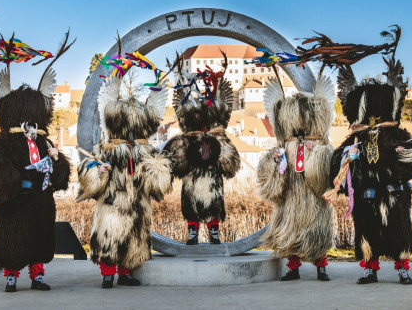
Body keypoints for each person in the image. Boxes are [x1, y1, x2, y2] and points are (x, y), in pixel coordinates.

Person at [330, 55, 412, 284]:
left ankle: (403, 269)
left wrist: (406, 152)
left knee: (399, 230)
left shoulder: (398, 135)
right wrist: (347, 156)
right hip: (366, 194)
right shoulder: (356, 139)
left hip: (394, 192)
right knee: (366, 230)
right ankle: (370, 269)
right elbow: (335, 165)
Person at [0, 34, 73, 292]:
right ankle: (12, 276)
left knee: (39, 238)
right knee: (13, 239)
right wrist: (13, 182)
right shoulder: (3, 141)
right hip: (15, 200)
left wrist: (58, 166)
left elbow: (59, 171)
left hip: (39, 198)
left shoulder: (43, 140)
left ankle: (37, 276)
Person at [77, 75, 172, 288]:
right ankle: (108, 273)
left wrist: (153, 169)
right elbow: (87, 168)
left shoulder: (145, 150)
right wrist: (99, 170)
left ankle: (126, 272)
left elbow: (161, 179)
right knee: (109, 236)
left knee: (134, 237)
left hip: (138, 203)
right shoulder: (105, 148)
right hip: (113, 202)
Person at [257, 74, 335, 281]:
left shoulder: (320, 144)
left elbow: (329, 166)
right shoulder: (287, 145)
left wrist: (317, 153)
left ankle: (321, 267)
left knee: (317, 230)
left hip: (314, 196)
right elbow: (272, 169)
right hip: (290, 195)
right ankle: (293, 268)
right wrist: (274, 161)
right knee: (289, 230)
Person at [164, 58, 240, 245]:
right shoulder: (188, 134)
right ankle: (193, 232)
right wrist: (181, 151)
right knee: (191, 201)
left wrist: (224, 159)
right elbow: (178, 164)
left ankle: (214, 231)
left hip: (212, 171)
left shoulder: (218, 133)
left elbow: (231, 161)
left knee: (214, 201)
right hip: (192, 171)